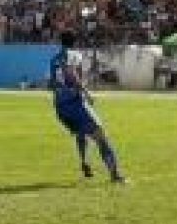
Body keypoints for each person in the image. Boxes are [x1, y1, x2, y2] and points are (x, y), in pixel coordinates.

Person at [50, 31, 125, 183]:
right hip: (74, 103)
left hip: (60, 106)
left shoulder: (54, 59)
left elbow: (53, 82)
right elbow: (70, 72)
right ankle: (115, 175)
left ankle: (84, 162)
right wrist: (85, 91)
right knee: (101, 136)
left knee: (81, 133)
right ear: (75, 42)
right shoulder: (74, 54)